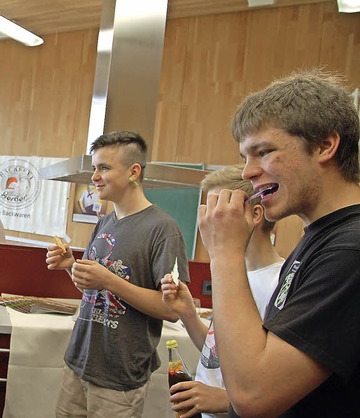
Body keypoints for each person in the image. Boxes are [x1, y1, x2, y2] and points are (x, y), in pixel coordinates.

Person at [197, 69, 360, 417]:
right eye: (245, 157)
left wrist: (225, 252)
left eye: (264, 152)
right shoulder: (318, 236)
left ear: (325, 146)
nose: (247, 173)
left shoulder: (350, 249)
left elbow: (252, 395)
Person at [46, 130, 190, 417]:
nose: (95, 176)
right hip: (79, 362)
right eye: (95, 168)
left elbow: (173, 310)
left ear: (134, 172)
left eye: (104, 168)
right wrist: (71, 267)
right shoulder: (105, 222)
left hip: (120, 377)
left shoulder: (163, 229)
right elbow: (92, 289)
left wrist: (109, 280)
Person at [161, 164, 284, 418]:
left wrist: (225, 400)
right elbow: (219, 353)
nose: (207, 221)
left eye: (218, 211)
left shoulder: (281, 283)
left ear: (256, 214)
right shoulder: (234, 275)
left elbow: (282, 384)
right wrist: (188, 314)